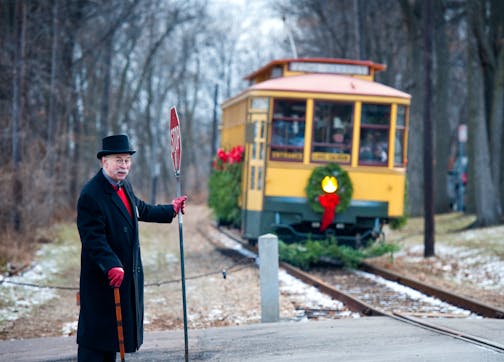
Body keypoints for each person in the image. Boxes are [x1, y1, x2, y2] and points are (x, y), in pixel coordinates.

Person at [76, 134, 187, 361]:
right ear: (104, 161)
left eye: (127, 160)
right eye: (118, 160)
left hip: (126, 276)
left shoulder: (123, 186)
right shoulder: (91, 194)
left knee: (115, 338)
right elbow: (93, 238)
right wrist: (111, 264)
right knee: (97, 340)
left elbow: (141, 209)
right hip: (103, 278)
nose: (124, 165)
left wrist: (170, 209)